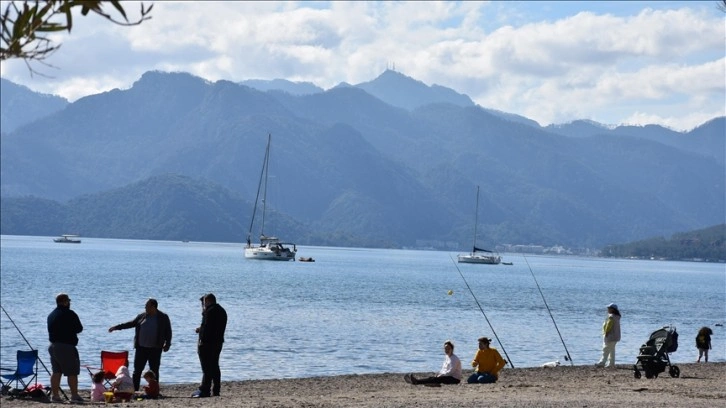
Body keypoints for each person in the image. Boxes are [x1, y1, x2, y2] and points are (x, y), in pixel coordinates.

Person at [109, 298, 173, 391]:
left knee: (154, 370)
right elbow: (130, 324)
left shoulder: (163, 317)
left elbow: (168, 332)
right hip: (141, 348)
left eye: (147, 306)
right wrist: (116, 327)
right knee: (137, 371)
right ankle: (134, 390)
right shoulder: (142, 316)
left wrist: (168, 344)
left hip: (155, 348)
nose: (145, 308)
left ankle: (154, 390)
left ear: (153, 307)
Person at [47, 292, 84, 403]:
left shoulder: (51, 315)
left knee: (56, 372)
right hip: (66, 346)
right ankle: (74, 396)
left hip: (53, 346)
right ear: (65, 301)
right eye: (68, 301)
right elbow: (79, 328)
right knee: (72, 372)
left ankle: (55, 396)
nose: (70, 303)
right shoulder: (70, 313)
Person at [192, 293, 228, 398]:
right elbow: (214, 326)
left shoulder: (209, 311)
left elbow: (207, 327)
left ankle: (205, 389)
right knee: (215, 366)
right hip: (218, 342)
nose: (203, 305)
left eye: (204, 302)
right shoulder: (222, 311)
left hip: (207, 343)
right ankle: (216, 389)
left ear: (207, 301)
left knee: (206, 367)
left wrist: (201, 338)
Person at [595, 303, 621, 368]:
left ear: (612, 309)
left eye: (609, 308)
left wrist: (606, 332)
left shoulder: (611, 317)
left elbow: (609, 325)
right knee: (612, 350)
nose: (607, 309)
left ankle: (602, 362)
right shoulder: (616, 317)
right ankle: (611, 363)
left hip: (610, 336)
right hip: (616, 336)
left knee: (605, 349)